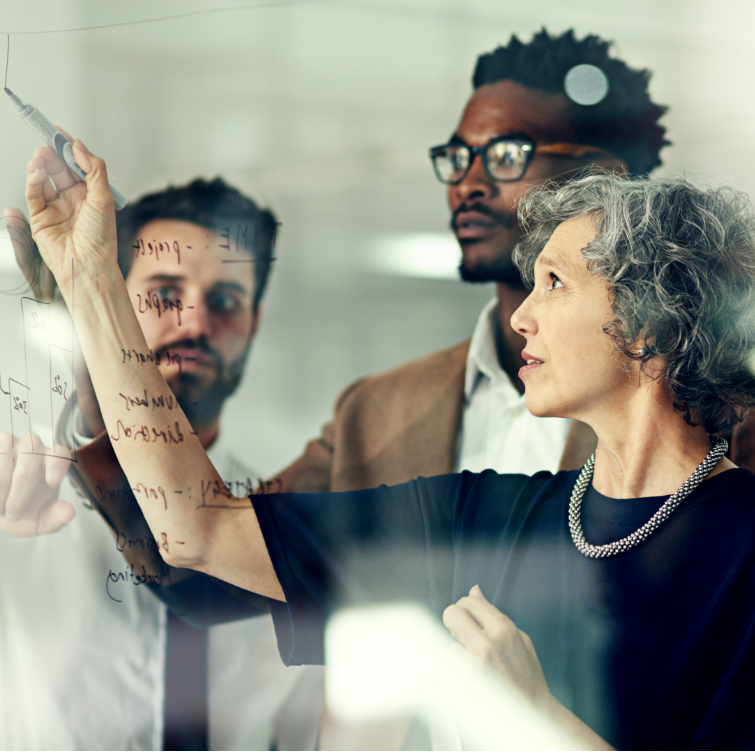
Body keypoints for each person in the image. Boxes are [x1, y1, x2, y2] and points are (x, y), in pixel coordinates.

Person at [23, 134, 755, 749]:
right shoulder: (478, 513)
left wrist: (533, 717)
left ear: (653, 322)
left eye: (555, 283)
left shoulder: (744, 547)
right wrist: (89, 281)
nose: (521, 317)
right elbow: (196, 530)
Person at [0, 179, 322, 751]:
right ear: (114, 308)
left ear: (255, 323)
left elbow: (306, 734)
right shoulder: (19, 499)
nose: (195, 325)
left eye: (224, 300)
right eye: (165, 294)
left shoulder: (285, 525)